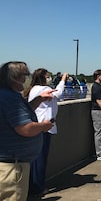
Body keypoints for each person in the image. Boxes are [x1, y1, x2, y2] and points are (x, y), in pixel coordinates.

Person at [0, 61, 55, 201]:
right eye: (26, 74)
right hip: (12, 168)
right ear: (15, 78)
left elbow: (17, 116)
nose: (29, 78)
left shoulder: (7, 95)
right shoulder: (11, 98)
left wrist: (39, 99)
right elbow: (25, 129)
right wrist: (44, 126)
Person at [24, 69, 67, 197]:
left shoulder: (35, 89)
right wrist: (63, 79)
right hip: (42, 128)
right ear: (42, 77)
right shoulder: (41, 89)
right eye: (48, 76)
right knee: (40, 159)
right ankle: (38, 187)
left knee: (38, 159)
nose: (50, 78)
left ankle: (34, 186)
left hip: (41, 127)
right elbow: (58, 93)